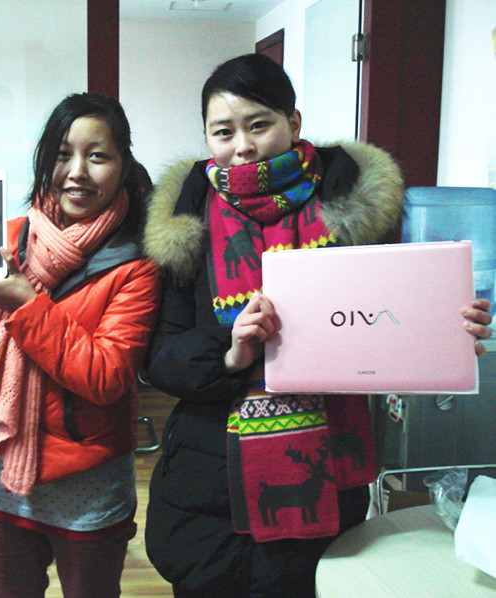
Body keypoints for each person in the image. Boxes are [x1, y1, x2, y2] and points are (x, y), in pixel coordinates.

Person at [141, 53, 493, 598]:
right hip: (207, 479)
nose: (243, 146)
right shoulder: (187, 217)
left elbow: (390, 320)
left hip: (328, 468)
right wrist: (231, 353)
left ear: (293, 122)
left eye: (259, 124)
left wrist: (449, 330)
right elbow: (161, 356)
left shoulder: (352, 205)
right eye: (223, 131)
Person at [0, 92, 160, 598]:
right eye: (62, 154)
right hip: (4, 472)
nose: (76, 172)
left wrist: (26, 304)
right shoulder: (12, 238)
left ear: (123, 163)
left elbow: (105, 378)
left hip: (88, 486)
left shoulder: (136, 264)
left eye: (97, 156)